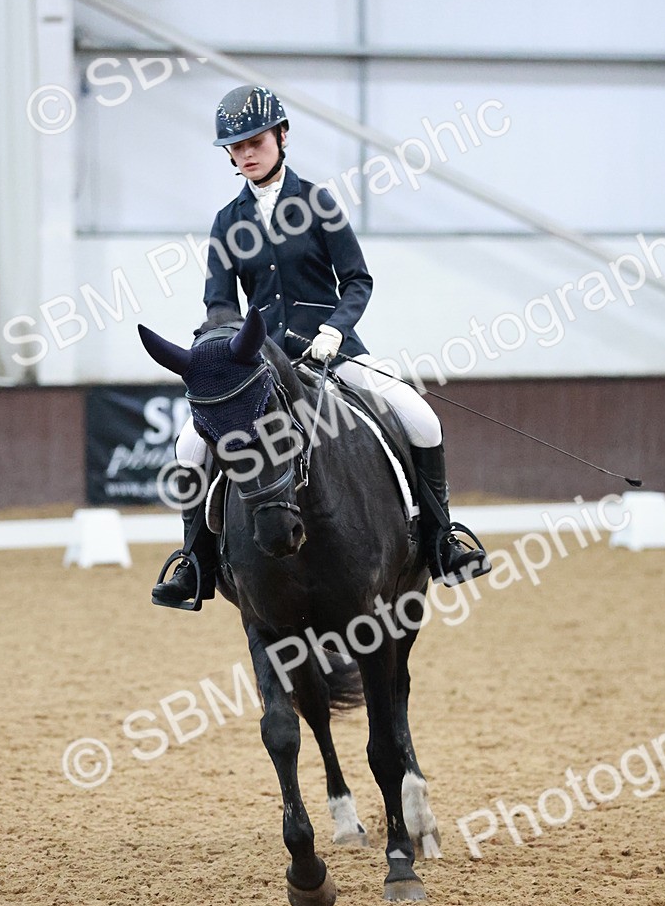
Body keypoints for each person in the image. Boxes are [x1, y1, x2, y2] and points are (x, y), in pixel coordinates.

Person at [152, 84, 490, 610]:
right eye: (236, 148)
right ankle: (194, 564)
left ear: (281, 136)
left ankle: (441, 541)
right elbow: (218, 303)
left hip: (336, 349)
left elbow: (357, 279)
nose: (246, 153)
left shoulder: (317, 202)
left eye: (255, 141)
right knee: (189, 448)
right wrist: (225, 351)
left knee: (422, 419)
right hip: (261, 365)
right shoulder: (227, 221)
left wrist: (334, 330)